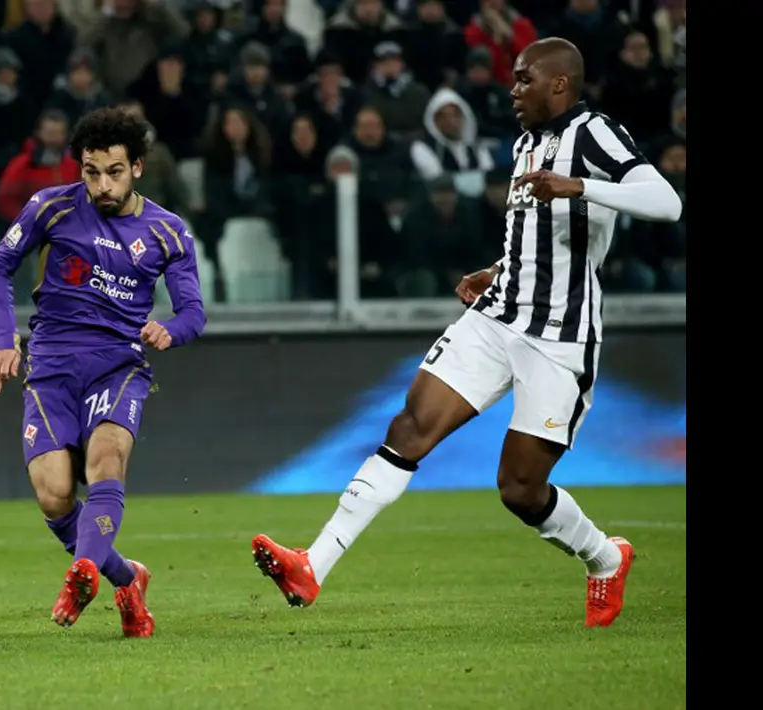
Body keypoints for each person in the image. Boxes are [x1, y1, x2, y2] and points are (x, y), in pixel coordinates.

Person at [250, 38, 683, 628]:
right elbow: (537, 232)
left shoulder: (595, 133)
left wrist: (580, 185)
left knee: (520, 489)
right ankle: (312, 565)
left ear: (560, 83)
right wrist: (499, 269)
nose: (513, 90)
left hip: (558, 335)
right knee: (410, 426)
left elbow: (667, 201)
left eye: (525, 79)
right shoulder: (528, 142)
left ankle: (605, 557)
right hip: (497, 315)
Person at [0, 107, 206, 638]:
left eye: (114, 171)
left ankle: (82, 572)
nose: (102, 184)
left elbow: (194, 312)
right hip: (51, 364)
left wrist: (170, 330)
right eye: (90, 171)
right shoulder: (51, 207)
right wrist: (1, 339)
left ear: (138, 168)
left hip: (119, 366)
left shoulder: (168, 232)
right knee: (55, 494)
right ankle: (127, 579)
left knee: (106, 462)